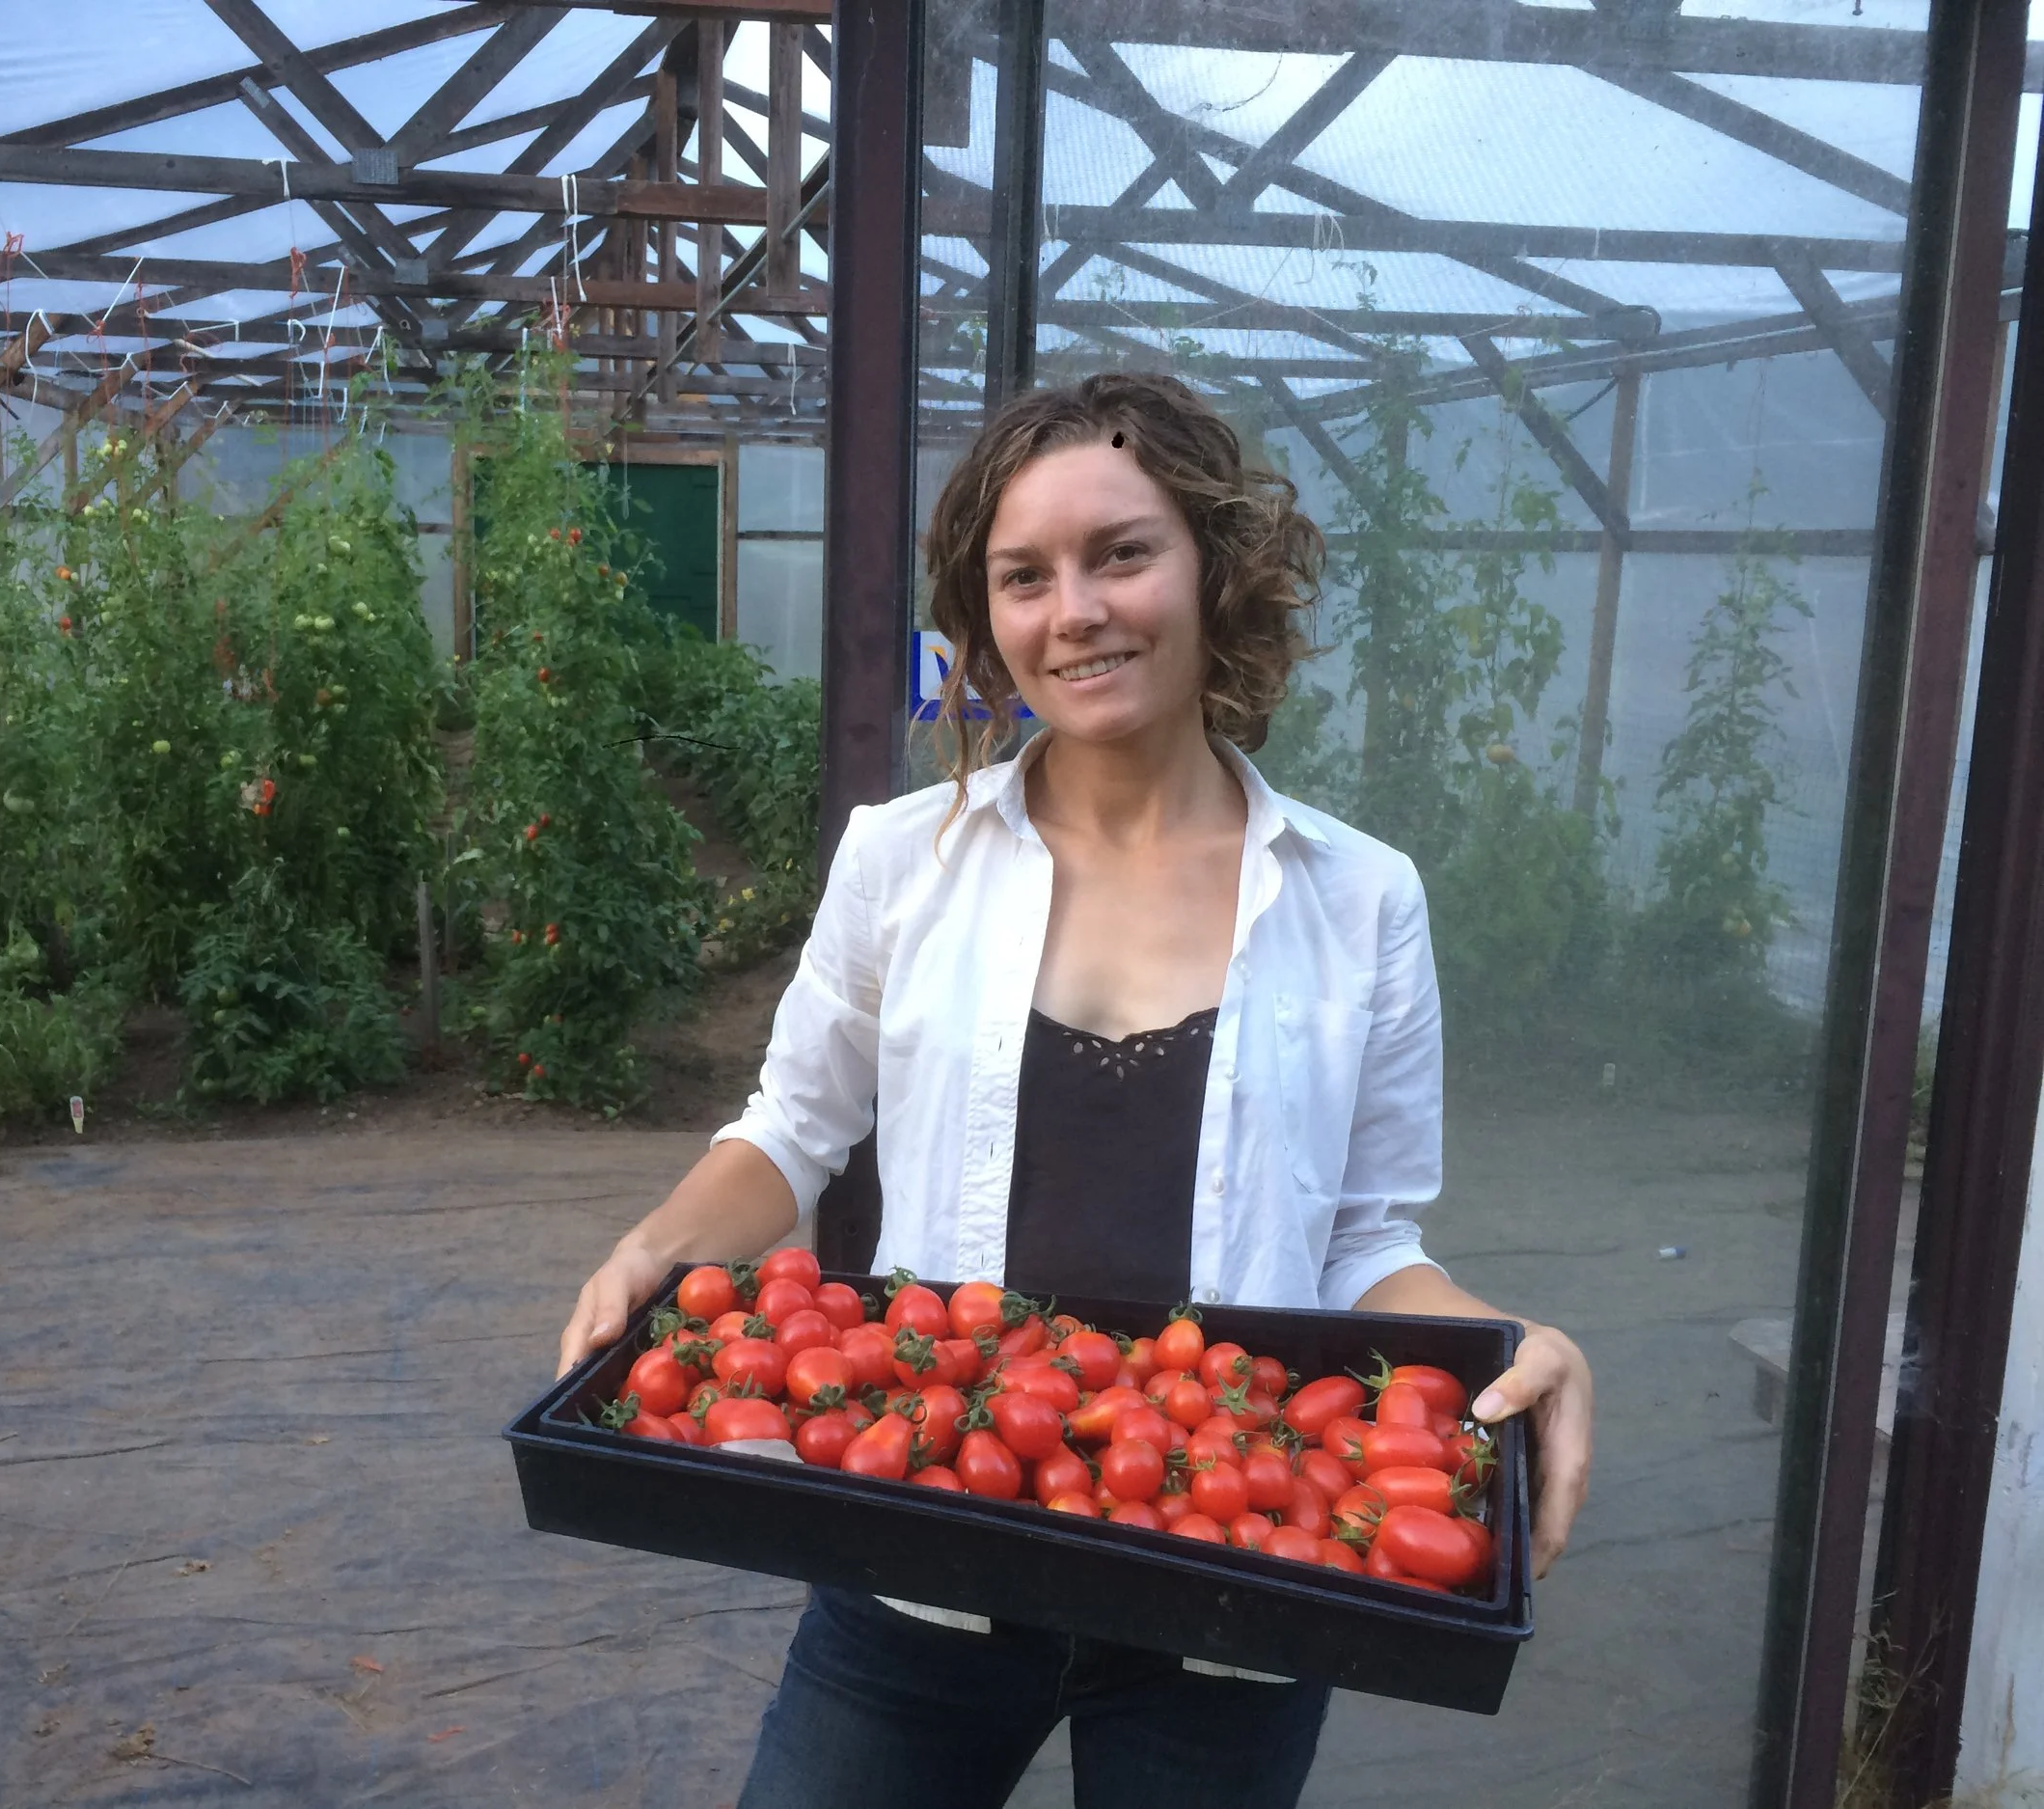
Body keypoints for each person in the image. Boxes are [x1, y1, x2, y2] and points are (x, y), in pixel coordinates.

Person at [555, 371, 1594, 1809]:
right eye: (1024, 577)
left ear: (1215, 567)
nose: (1077, 611)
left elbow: (1364, 1237)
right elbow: (790, 1132)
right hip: (922, 1539)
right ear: (985, 620)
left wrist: (1509, 1344)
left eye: (1122, 553)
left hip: (1233, 1573)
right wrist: (657, 1244)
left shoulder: (1360, 898)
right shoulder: (902, 860)